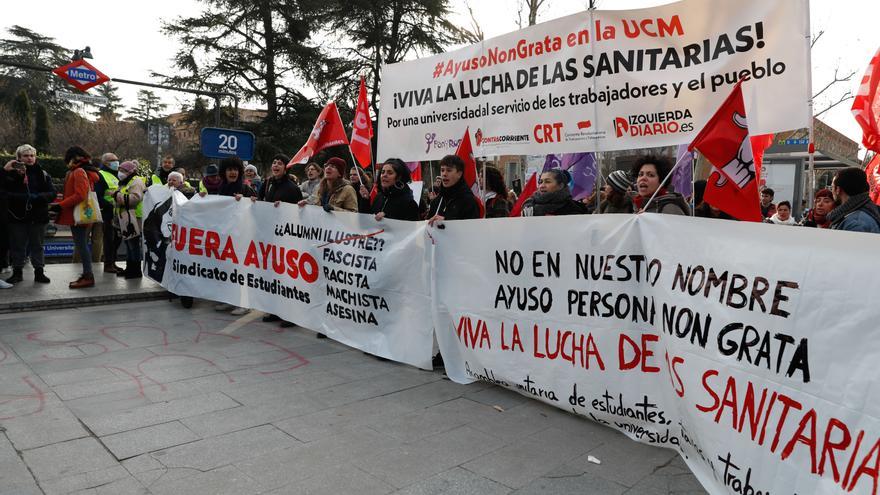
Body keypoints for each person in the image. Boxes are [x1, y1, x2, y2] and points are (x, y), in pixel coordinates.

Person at [256, 154, 303, 327]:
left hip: (287, 239)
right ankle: (276, 310)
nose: (276, 165)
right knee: (274, 276)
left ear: (286, 167)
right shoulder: (268, 183)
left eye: (280, 163)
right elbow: (261, 202)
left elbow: (298, 214)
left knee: (288, 278)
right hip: (271, 237)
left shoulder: (291, 188)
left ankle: (291, 314)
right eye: (274, 162)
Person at [2, 144, 55, 284]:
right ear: (18, 158)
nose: (30, 158)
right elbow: (4, 193)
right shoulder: (10, 174)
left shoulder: (42, 174)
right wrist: (22, 197)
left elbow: (52, 193)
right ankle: (17, 272)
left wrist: (37, 197)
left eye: (32, 155)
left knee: (37, 245)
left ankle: (39, 272)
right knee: (17, 246)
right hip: (16, 216)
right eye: (26, 156)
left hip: (38, 216)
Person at [211, 157, 256, 316]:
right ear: (224, 172)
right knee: (227, 269)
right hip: (226, 237)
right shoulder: (222, 188)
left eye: (235, 169)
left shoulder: (245, 188)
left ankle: (244, 303)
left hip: (241, 236)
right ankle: (228, 300)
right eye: (229, 169)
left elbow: (256, 207)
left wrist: (245, 201)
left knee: (240, 270)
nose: (233, 172)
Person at [51, 146, 100, 289]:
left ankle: (88, 275)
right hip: (82, 213)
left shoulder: (78, 171)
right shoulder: (85, 171)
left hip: (77, 215)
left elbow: (80, 195)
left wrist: (60, 206)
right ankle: (87, 274)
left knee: (81, 245)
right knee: (82, 244)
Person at [111, 161, 146, 279]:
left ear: (130, 172)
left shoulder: (136, 181)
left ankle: (135, 271)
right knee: (128, 244)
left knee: (133, 245)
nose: (120, 173)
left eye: (123, 171)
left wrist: (116, 195)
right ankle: (129, 268)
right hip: (126, 218)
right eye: (120, 170)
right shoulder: (125, 182)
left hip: (134, 218)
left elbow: (134, 199)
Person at [427, 155, 481, 225]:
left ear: (459, 174)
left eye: (449, 170)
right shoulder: (437, 201)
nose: (444, 174)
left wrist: (446, 222)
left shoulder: (468, 201)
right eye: (442, 170)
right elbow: (428, 226)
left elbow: (472, 229)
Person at [827, 167, 880, 233]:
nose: (831, 191)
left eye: (832, 187)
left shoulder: (855, 223)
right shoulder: (866, 211)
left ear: (838, 189)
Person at [520, 169, 589, 217]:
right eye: (540, 182)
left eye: (547, 182)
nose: (542, 186)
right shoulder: (528, 206)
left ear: (560, 186)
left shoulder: (574, 210)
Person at [95, 152, 122, 273]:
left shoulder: (117, 175)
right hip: (108, 213)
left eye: (117, 159)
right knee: (109, 240)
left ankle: (113, 262)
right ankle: (108, 264)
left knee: (117, 240)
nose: (116, 162)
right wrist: (108, 206)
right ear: (105, 162)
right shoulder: (100, 175)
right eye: (113, 160)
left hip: (118, 213)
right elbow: (97, 195)